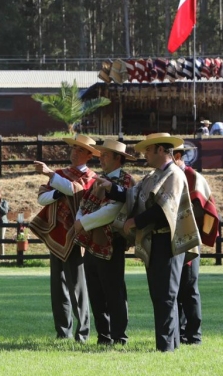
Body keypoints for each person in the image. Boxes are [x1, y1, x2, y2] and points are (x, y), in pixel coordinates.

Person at [101, 132, 200, 352]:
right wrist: (111, 189)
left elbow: (164, 209)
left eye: (148, 149)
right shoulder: (154, 176)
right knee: (160, 294)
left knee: (166, 295)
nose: (145, 153)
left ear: (162, 150)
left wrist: (135, 221)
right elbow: (132, 195)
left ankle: (165, 347)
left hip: (169, 241)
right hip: (156, 242)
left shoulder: (173, 174)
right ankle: (168, 344)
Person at [29, 134, 99, 342]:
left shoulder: (92, 178)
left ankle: (83, 333)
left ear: (88, 155)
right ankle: (63, 332)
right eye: (73, 149)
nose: (74, 152)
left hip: (76, 239)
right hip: (56, 236)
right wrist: (57, 193)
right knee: (58, 288)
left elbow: (76, 191)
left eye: (79, 150)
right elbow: (42, 198)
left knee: (78, 288)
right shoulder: (61, 174)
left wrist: (51, 175)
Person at [70, 140, 136, 346]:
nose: (101, 158)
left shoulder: (126, 181)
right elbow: (84, 203)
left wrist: (82, 223)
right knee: (96, 292)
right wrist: (80, 219)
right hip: (92, 244)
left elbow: (112, 211)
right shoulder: (100, 179)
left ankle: (119, 336)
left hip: (112, 244)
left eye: (106, 155)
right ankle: (103, 335)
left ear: (118, 158)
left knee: (114, 291)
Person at [172, 144, 220, 346]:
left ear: (176, 156)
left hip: (190, 240)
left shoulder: (194, 178)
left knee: (189, 289)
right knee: (173, 290)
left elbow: (205, 209)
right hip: (170, 241)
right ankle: (179, 333)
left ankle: (194, 335)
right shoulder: (164, 176)